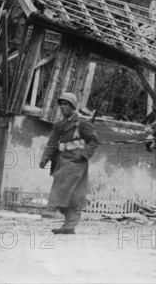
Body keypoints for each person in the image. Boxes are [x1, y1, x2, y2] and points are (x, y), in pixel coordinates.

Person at [39, 92, 99, 234]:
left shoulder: (83, 124)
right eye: (61, 105)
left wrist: (82, 155)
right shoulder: (59, 125)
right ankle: (69, 223)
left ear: (73, 106)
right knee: (63, 194)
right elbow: (52, 143)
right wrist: (45, 158)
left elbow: (93, 140)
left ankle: (69, 221)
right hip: (62, 162)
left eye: (66, 104)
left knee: (65, 192)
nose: (62, 107)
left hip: (76, 164)